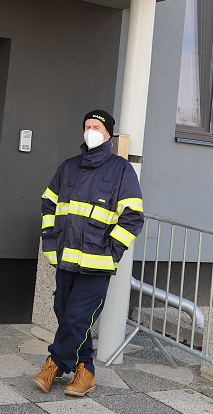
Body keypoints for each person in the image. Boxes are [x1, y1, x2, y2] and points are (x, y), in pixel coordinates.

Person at [34, 109, 143, 396]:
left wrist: (112, 251)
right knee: (64, 312)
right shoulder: (68, 167)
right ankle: (86, 371)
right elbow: (48, 204)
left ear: (108, 134)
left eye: (97, 127)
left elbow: (133, 216)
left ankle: (54, 363)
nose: (90, 131)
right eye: (87, 126)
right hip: (65, 260)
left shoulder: (121, 170)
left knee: (77, 317)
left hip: (97, 263)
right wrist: (50, 243)